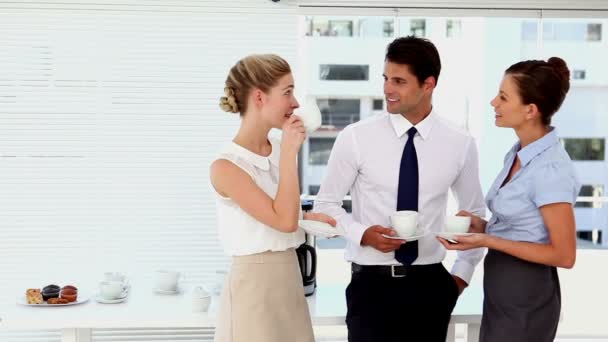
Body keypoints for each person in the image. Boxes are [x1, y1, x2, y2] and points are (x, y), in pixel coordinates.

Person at [313, 36, 486, 342]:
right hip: (370, 288)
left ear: (428, 84)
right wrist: (361, 233)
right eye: (385, 78)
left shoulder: (460, 143)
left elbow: (474, 215)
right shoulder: (355, 137)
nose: (387, 89)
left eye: (399, 81)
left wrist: (460, 277)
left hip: (431, 286)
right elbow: (326, 205)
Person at [438, 57, 580, 342]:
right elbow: (524, 229)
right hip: (503, 289)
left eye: (503, 97)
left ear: (531, 110)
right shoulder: (518, 154)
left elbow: (564, 255)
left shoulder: (550, 168)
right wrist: (481, 226)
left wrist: (488, 240)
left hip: (527, 291)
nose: (494, 102)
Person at [210, 54, 336, 342]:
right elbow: (283, 221)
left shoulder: (279, 148)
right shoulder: (226, 166)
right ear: (259, 97)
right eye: (287, 92)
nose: (295, 104)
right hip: (254, 290)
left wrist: (309, 219)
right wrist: (291, 152)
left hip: (289, 280)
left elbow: (283, 213)